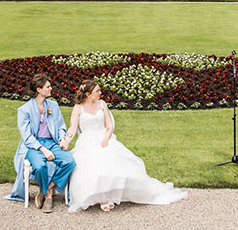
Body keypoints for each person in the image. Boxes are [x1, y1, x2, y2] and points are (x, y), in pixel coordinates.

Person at [61, 81, 186, 213]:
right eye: (97, 91)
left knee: (112, 162)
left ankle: (107, 195)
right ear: (88, 94)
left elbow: (109, 126)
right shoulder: (78, 108)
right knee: (92, 166)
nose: (100, 93)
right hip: (87, 141)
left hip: (104, 137)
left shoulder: (102, 104)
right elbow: (72, 128)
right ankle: (101, 197)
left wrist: (106, 139)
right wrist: (65, 141)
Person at [9, 73, 75, 212]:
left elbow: (61, 126)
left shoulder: (53, 105)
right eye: (48, 86)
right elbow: (27, 137)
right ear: (39, 89)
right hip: (33, 145)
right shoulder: (24, 110)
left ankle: (48, 187)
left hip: (52, 142)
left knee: (70, 162)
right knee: (40, 166)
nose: (51, 89)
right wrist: (43, 150)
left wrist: (62, 138)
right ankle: (47, 196)